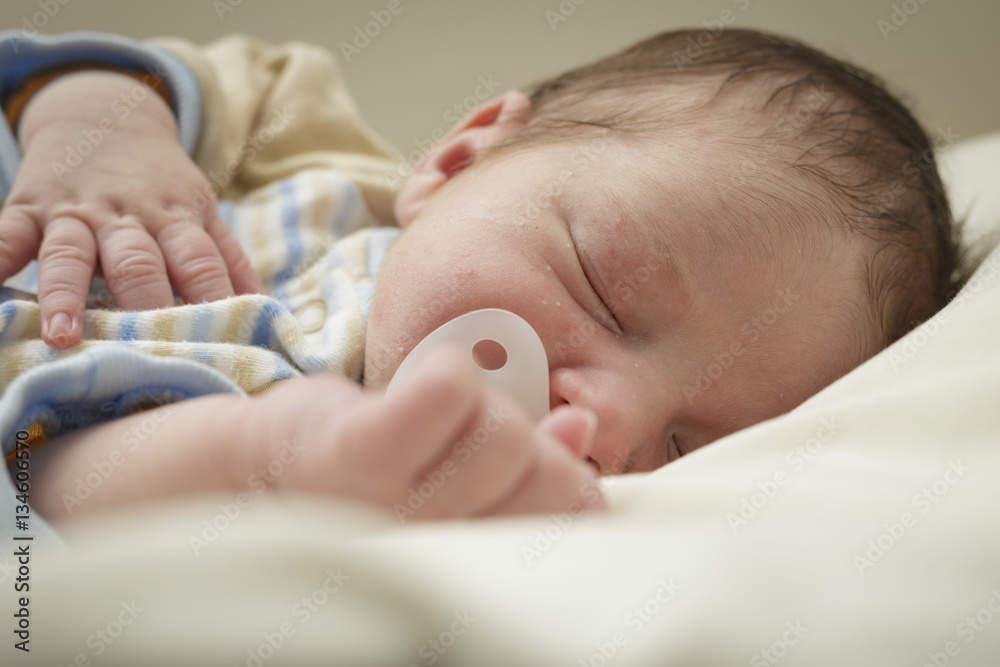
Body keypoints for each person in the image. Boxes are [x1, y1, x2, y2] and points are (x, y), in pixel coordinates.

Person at [0, 27, 959, 533]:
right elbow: (191, 73)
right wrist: (108, 138)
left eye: (683, 442)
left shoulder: (441, 501)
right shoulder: (316, 164)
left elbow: (39, 481)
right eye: (603, 289)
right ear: (460, 162)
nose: (608, 424)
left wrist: (261, 464)